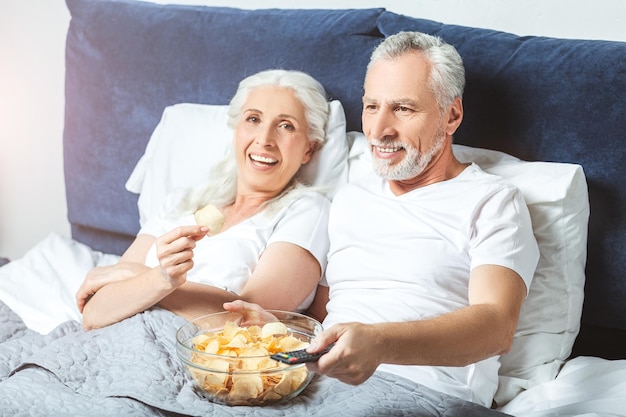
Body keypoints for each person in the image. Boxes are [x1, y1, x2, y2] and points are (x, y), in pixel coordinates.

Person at [227, 31, 540, 409]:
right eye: (372, 106)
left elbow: (496, 326)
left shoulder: (491, 201)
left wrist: (379, 343)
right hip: (318, 387)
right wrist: (279, 331)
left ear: (451, 115)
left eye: (403, 109)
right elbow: (325, 316)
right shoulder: (350, 197)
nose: (378, 130)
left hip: (422, 392)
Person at [76, 69, 332, 330]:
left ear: (308, 149)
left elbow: (247, 320)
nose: (264, 140)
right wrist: (157, 280)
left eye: (286, 126)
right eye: (253, 119)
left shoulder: (308, 211)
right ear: (236, 132)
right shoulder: (180, 202)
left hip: (193, 354)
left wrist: (147, 278)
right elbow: (95, 313)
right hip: (110, 341)